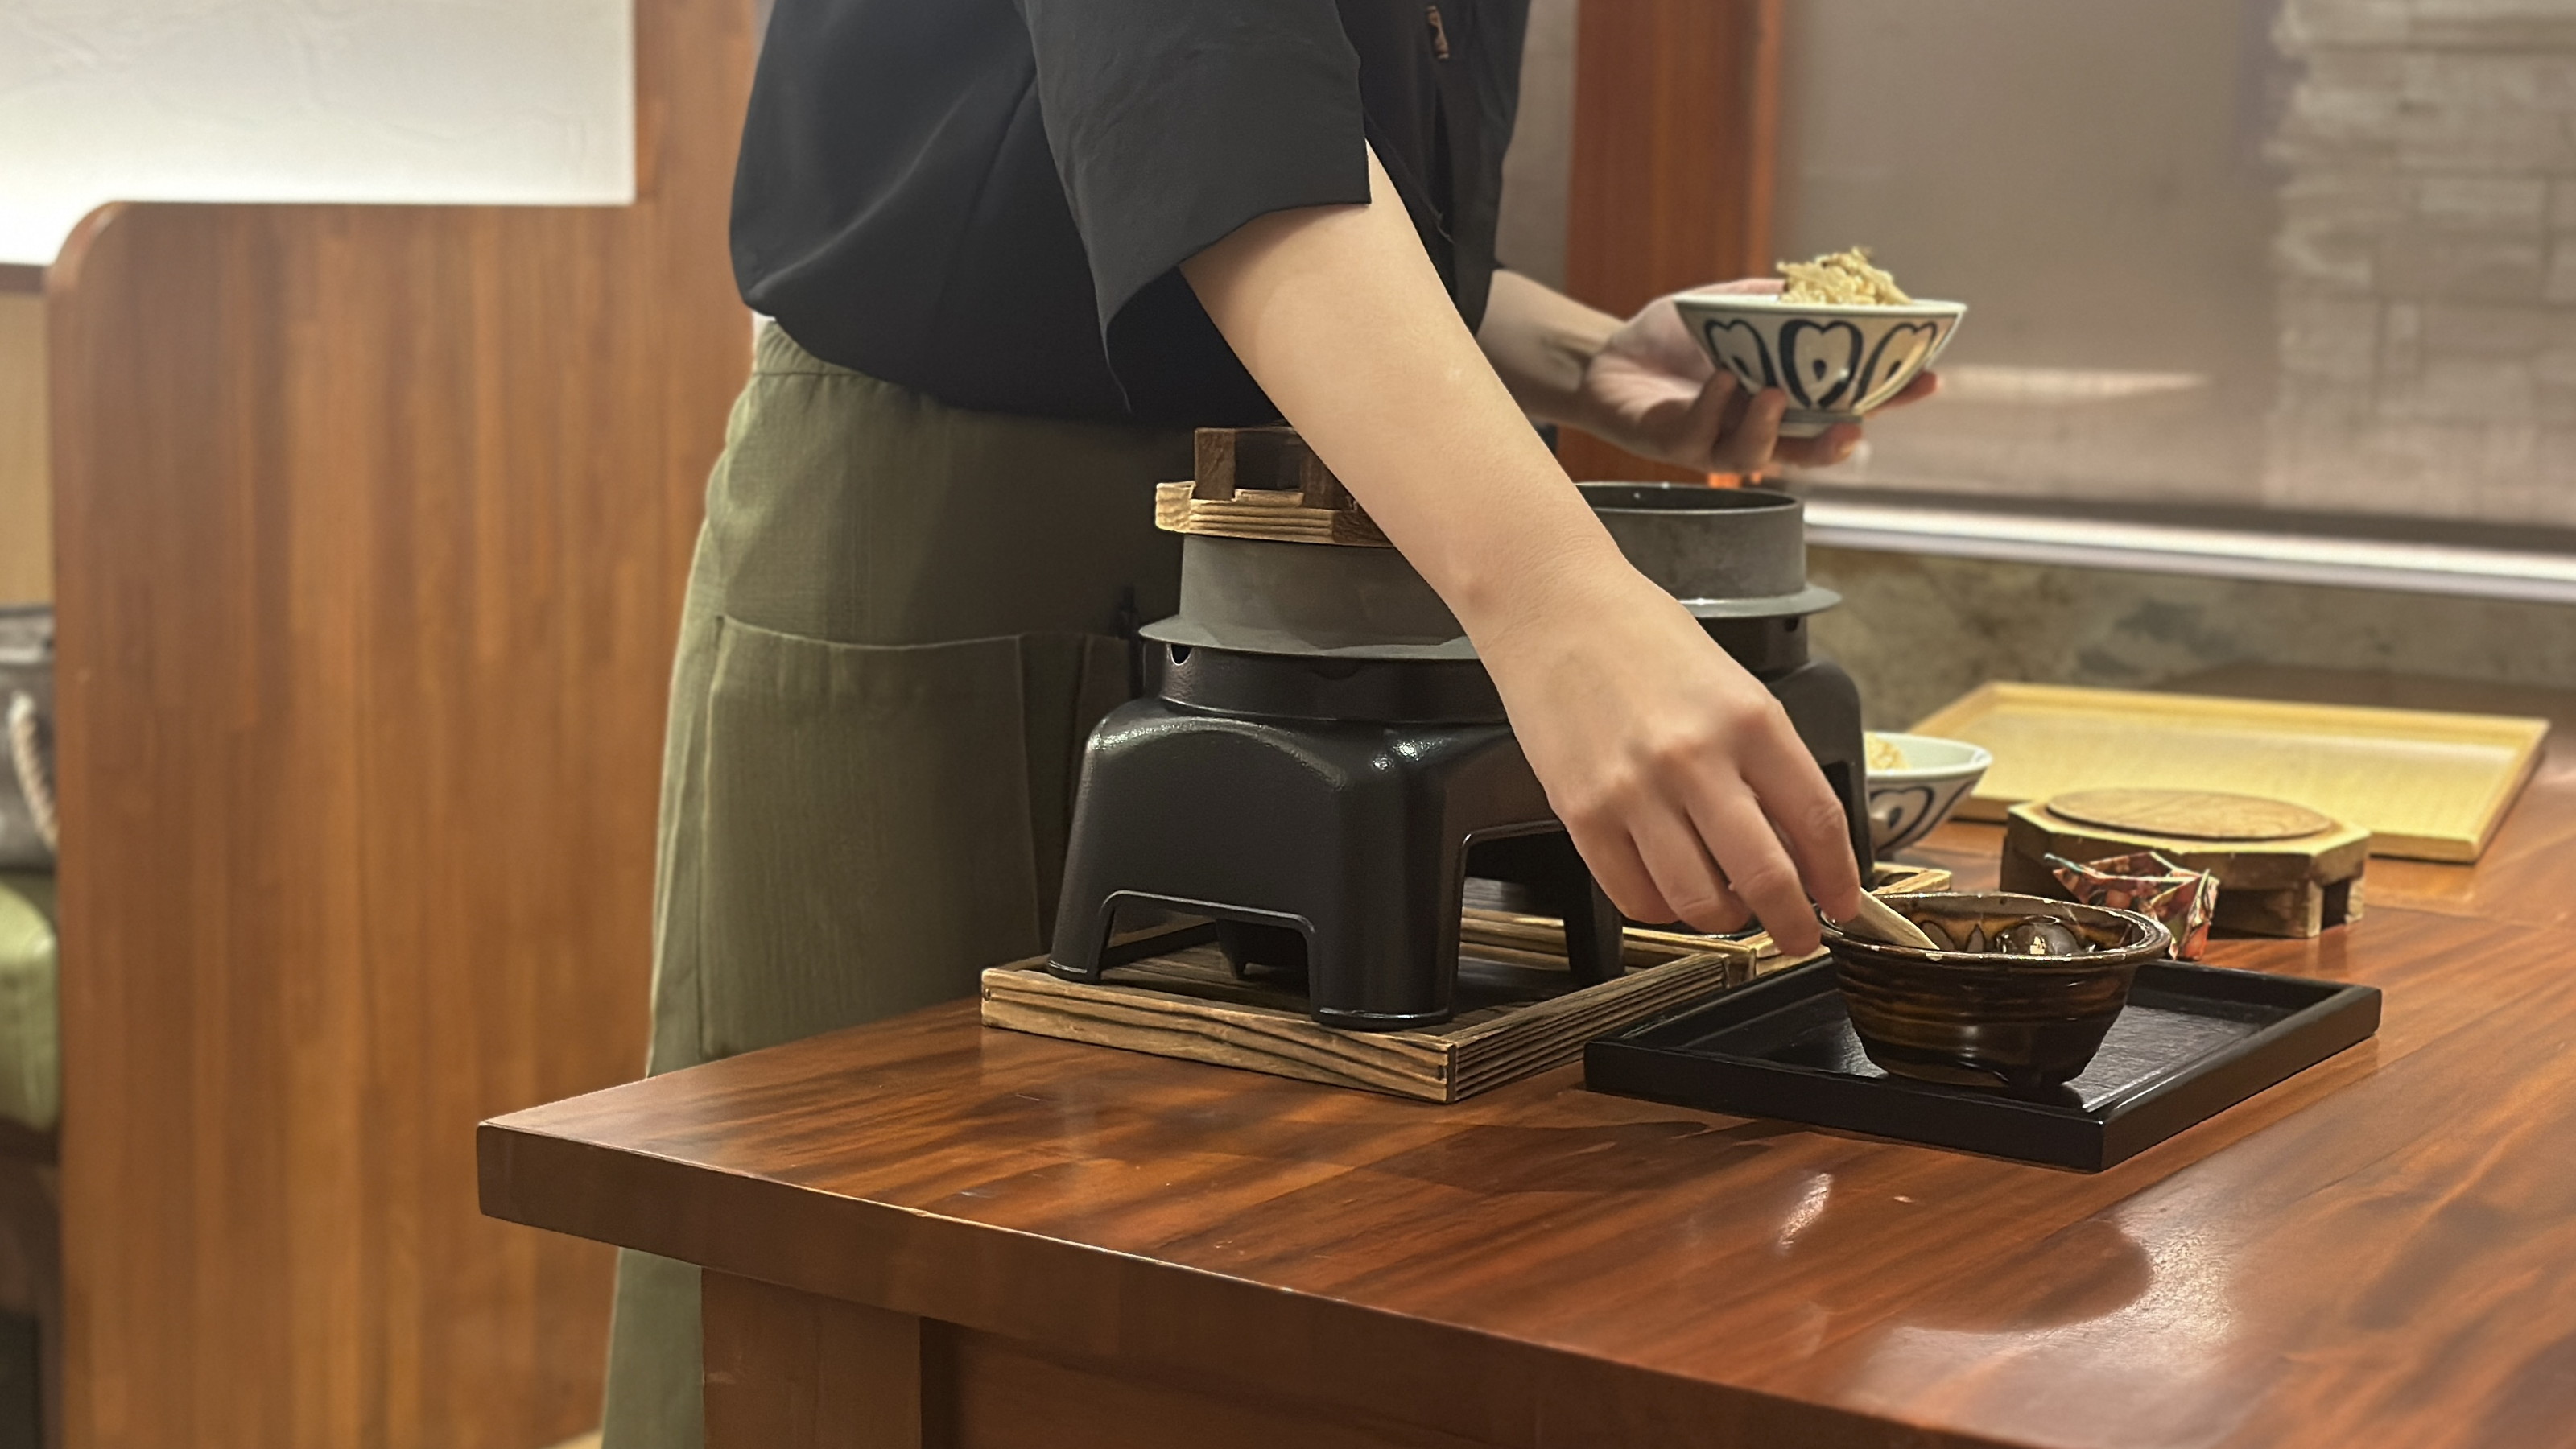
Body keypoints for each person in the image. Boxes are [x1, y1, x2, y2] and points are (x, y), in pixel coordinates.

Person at [599, 0, 1937, 1443]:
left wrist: (1575, 354)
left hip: (1296, 546)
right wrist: (1558, 597)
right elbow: (1196, 95)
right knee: (855, 1308)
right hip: (969, 530)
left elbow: (1275, 149)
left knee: (1204, 1304)